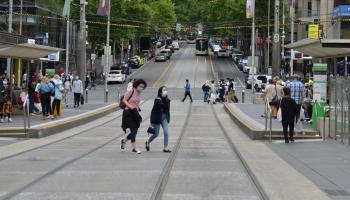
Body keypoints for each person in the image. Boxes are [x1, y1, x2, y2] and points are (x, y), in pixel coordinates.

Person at [121, 79, 147, 154]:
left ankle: (124, 141)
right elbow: (124, 100)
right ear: (136, 85)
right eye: (140, 86)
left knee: (135, 130)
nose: (141, 88)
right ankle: (134, 148)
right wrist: (130, 106)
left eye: (143, 87)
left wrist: (138, 109)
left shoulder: (139, 93)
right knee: (133, 129)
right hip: (128, 112)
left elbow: (136, 102)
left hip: (135, 113)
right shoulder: (131, 91)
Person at [145, 86, 171, 153]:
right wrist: (152, 120)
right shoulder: (157, 99)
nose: (165, 91)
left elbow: (168, 110)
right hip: (158, 118)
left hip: (164, 118)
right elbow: (154, 110)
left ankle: (165, 148)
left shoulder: (168, 100)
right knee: (156, 134)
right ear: (160, 92)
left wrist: (168, 118)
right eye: (163, 90)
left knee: (166, 132)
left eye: (166, 90)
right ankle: (148, 142)